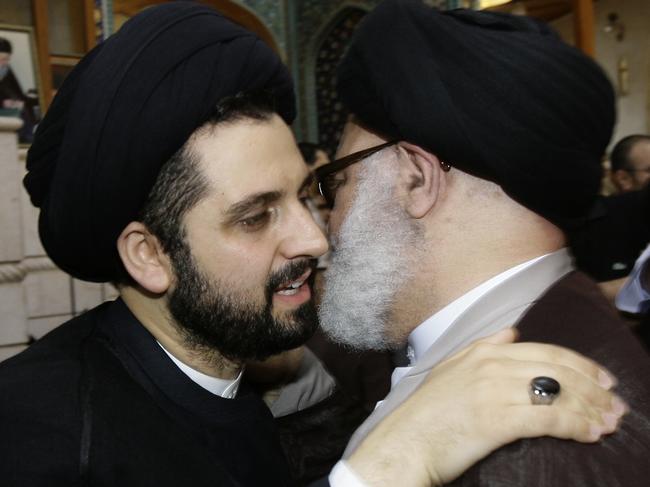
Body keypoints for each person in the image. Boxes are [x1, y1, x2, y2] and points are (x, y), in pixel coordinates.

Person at [0, 3, 624, 487]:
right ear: (149, 255)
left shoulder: (231, 382)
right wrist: (386, 467)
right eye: (254, 217)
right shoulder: (38, 434)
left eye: (304, 195)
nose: (313, 236)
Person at [314, 1, 650, 485]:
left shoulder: (532, 451)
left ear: (416, 180)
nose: (325, 225)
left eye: (336, 184)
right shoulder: (557, 315)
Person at [0, 37, 38, 143]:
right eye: (2, 59)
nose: (5, 63)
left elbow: (18, 94)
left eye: (7, 59)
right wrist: (4, 103)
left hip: (11, 113)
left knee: (25, 109)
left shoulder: (6, 71)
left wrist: (18, 102)